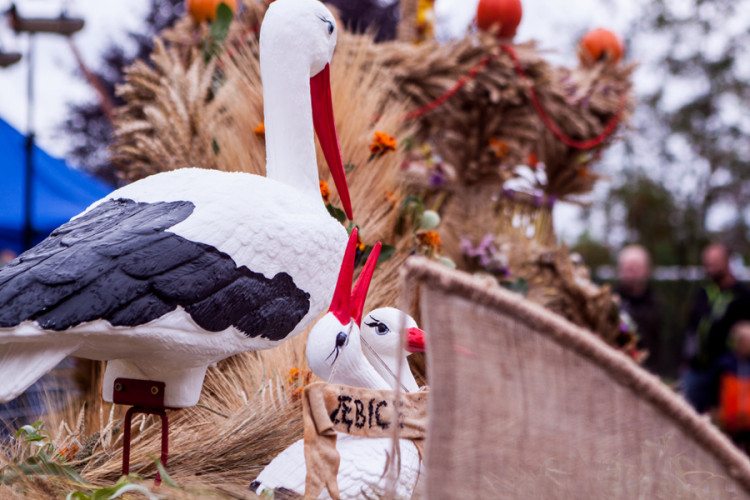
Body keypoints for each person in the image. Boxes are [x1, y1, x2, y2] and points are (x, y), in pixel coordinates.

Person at [683, 243, 750, 414]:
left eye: (714, 262)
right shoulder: (703, 293)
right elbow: (692, 327)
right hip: (698, 369)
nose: (709, 267)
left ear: (727, 262)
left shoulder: (742, 295)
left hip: (727, 370)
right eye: (707, 263)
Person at [616, 245, 663, 375]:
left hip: (648, 371)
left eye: (636, 266)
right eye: (627, 267)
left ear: (647, 270)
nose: (631, 271)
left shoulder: (655, 303)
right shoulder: (611, 301)